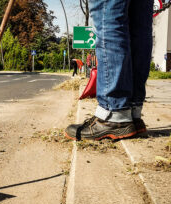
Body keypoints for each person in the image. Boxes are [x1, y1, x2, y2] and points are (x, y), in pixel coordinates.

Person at [65, 0, 153, 140]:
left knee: (108, 13)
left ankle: (113, 113)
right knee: (138, 22)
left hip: (114, 110)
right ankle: (133, 113)